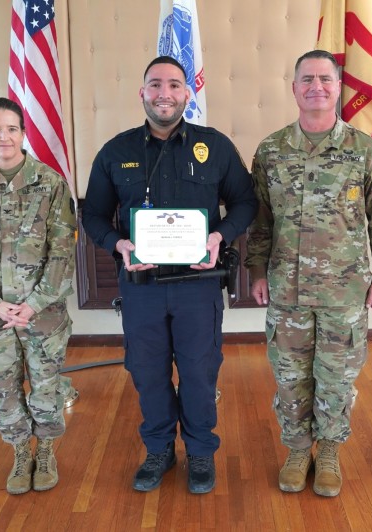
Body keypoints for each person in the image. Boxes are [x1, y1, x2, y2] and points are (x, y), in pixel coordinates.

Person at [82, 56, 257, 494]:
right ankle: (159, 449)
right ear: (142, 93)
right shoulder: (116, 151)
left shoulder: (214, 146)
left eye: (174, 85)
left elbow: (245, 203)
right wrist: (119, 244)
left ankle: (200, 453)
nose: (165, 93)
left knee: (199, 372)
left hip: (197, 287)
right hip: (141, 289)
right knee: (148, 372)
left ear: (187, 93)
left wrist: (220, 236)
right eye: (155, 84)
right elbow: (94, 215)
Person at [245, 50, 372, 497]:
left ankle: (330, 451)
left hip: (346, 292)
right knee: (291, 378)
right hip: (286, 291)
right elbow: (260, 220)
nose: (316, 86)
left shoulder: (366, 151)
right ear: (294, 88)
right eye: (307, 79)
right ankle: (298, 451)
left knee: (336, 378)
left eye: (325, 79)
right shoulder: (272, 151)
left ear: (338, 88)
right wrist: (256, 269)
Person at [0, 97, 77, 495]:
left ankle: (46, 451)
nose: (4, 137)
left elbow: (62, 253)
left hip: (42, 315)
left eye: (12, 128)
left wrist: (33, 304)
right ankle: (21, 452)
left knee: (46, 385)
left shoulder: (51, 184)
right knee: (3, 391)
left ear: (23, 133)